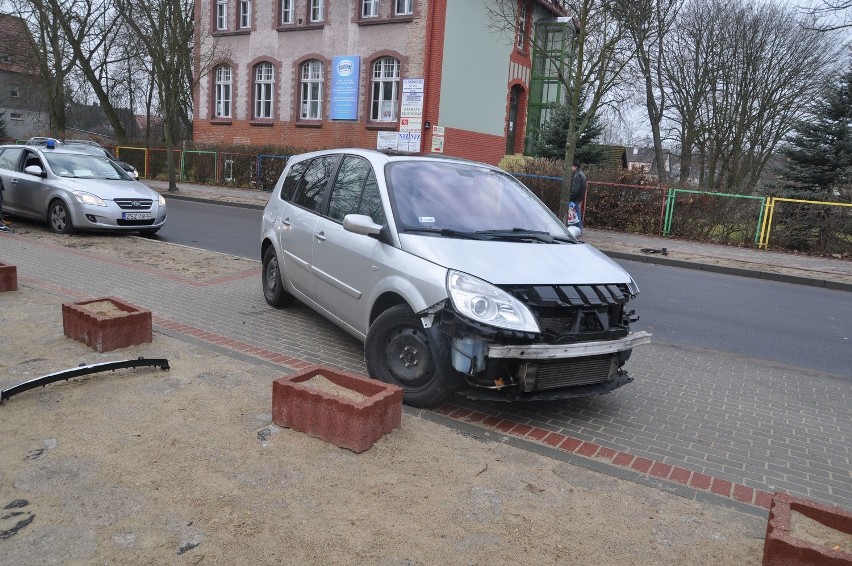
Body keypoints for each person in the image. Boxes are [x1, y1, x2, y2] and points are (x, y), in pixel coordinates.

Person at [570, 158, 587, 228]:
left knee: (575, 215)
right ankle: (579, 228)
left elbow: (575, 189)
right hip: (579, 197)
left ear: (575, 167)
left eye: (572, 166)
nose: (571, 168)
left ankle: (579, 228)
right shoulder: (582, 174)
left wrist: (570, 197)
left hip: (575, 198)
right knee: (577, 213)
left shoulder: (577, 175)